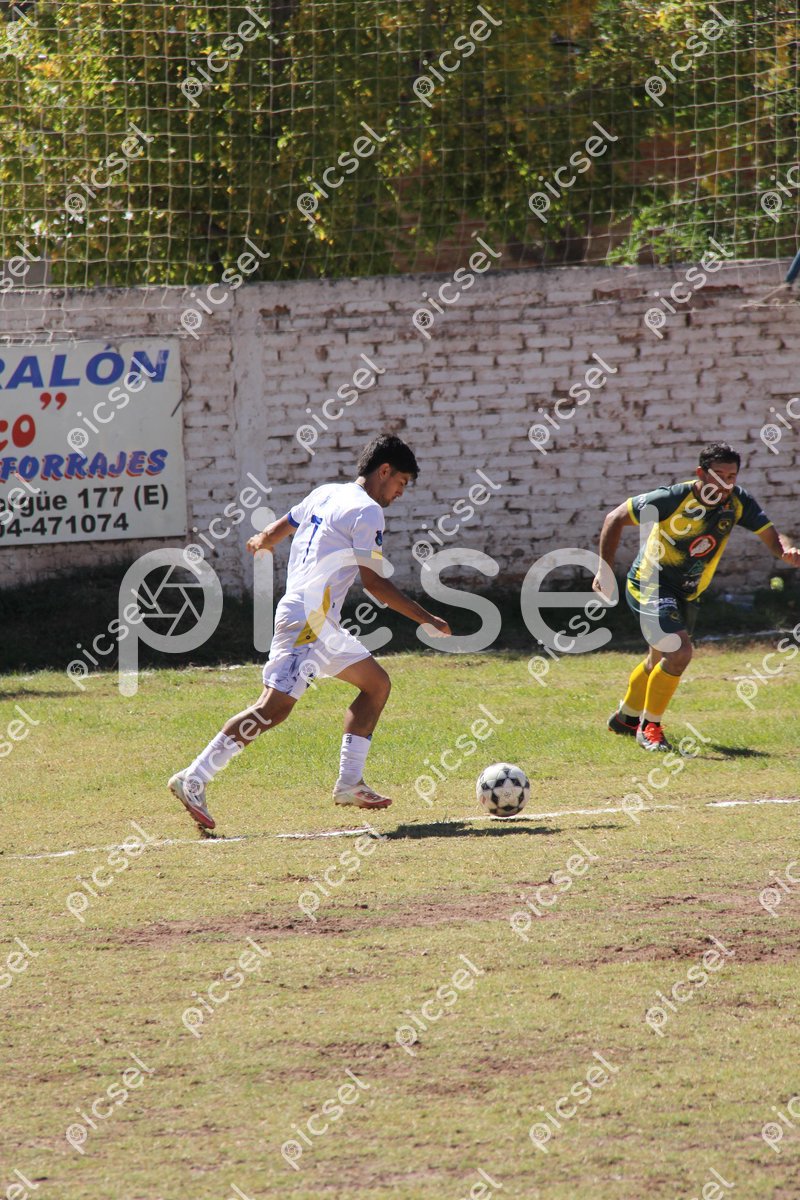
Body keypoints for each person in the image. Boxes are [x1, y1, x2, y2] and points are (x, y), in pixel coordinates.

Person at [169, 434, 451, 827]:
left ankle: (350, 783)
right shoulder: (368, 511)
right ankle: (195, 777)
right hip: (308, 621)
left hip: (321, 623)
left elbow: (281, 527)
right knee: (272, 708)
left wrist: (262, 540)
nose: (400, 492)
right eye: (401, 482)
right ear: (384, 471)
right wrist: (426, 618)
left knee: (376, 684)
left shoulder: (326, 493)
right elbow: (374, 583)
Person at [592, 442, 800, 752]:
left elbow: (771, 534)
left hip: (687, 593)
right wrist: (604, 571)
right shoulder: (673, 498)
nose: (725, 483)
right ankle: (649, 728)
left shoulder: (738, 502)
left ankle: (626, 718)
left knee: (658, 658)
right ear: (701, 473)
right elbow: (615, 518)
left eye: (731, 476)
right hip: (650, 584)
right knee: (679, 651)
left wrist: (784, 550)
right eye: (719, 475)